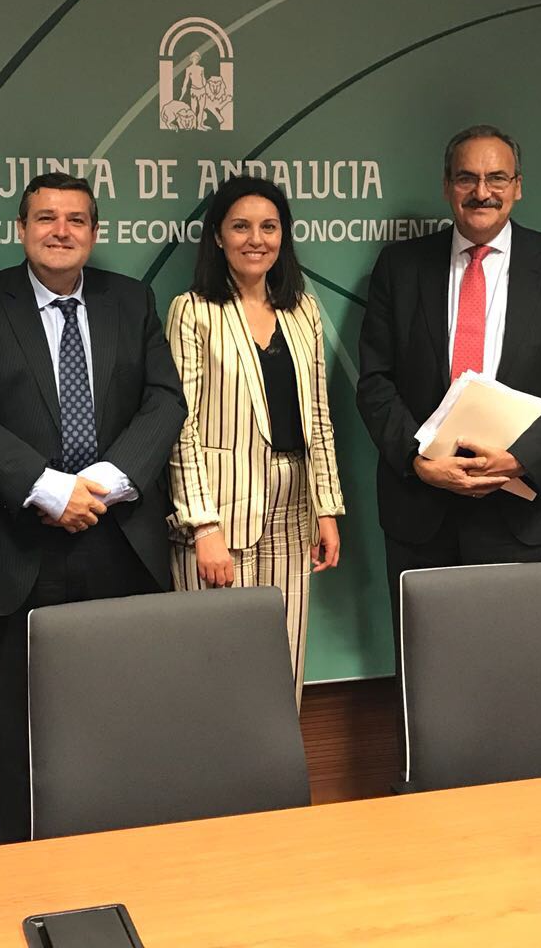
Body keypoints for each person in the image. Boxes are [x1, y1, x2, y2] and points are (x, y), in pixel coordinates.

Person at [0, 170, 185, 843]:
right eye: (46, 218)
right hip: (15, 546)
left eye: (76, 219)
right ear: (21, 228)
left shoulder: (130, 300)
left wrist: (99, 484)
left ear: (95, 232)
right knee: (18, 728)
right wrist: (49, 488)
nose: (61, 231)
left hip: (116, 541)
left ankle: (120, 852)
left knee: (120, 715)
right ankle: (26, 864)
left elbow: (164, 400)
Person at [356, 124, 541, 645]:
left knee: (520, 663)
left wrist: (519, 459)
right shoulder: (400, 267)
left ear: (518, 186)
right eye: (466, 178)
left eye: (497, 178)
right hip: (423, 510)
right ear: (447, 186)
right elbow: (375, 382)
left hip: (525, 514)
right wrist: (418, 461)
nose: (482, 192)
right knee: (427, 666)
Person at [165, 175, 345, 704]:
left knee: (282, 665)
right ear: (217, 236)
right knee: (216, 667)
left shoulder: (302, 310)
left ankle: (280, 761)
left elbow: (318, 415)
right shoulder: (192, 310)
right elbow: (180, 427)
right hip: (220, 514)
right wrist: (202, 526)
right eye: (240, 227)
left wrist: (327, 508)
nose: (256, 239)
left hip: (293, 506)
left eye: (269, 227)